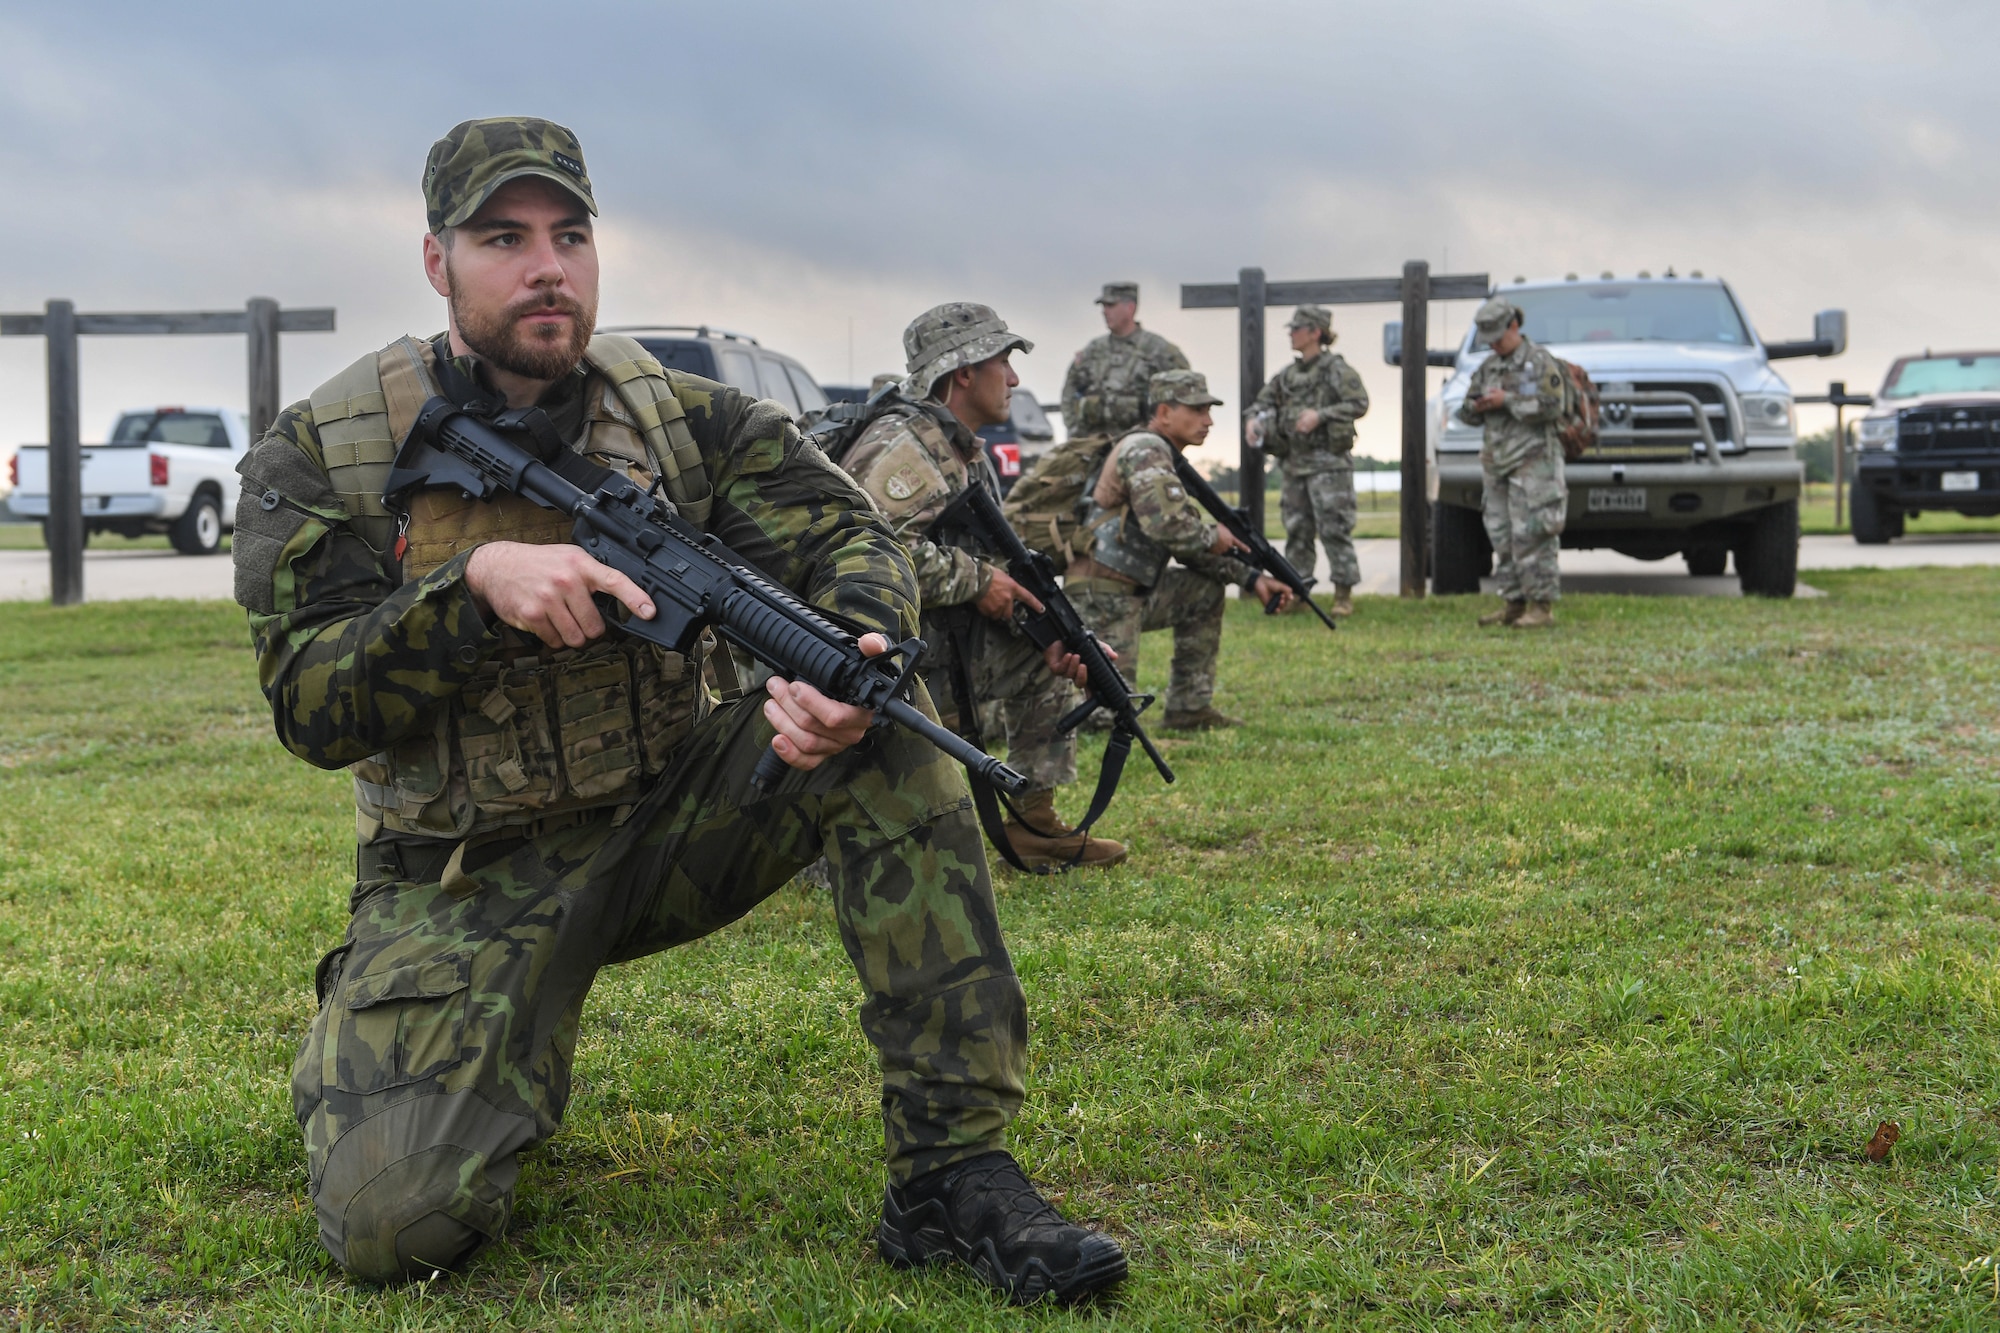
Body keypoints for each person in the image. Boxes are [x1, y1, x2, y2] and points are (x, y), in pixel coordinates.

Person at [229, 116, 1125, 1305]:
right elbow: (309, 704)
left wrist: (848, 651)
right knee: (400, 1232)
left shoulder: (672, 414)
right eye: (503, 238)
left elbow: (850, 532)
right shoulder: (326, 452)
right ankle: (430, 1028)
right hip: (463, 874)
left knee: (890, 730)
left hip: (669, 817)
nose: (546, 266)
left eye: (570, 235)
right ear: (438, 261)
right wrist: (468, 593)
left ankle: (952, 1170)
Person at [839, 303, 1126, 870]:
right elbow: (867, 557)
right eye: (1004, 362)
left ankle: (1033, 824)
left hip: (927, 644)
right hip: (874, 660)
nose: (1015, 379)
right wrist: (977, 581)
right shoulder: (906, 446)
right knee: (897, 847)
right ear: (963, 371)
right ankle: (841, 844)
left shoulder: (960, 449)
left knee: (1043, 658)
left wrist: (1048, 633)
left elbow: (993, 563)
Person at [1066, 370, 1294, 730]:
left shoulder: (1161, 455)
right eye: (1198, 410)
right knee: (1106, 720)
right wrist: (1212, 534)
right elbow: (1170, 528)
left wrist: (1251, 578)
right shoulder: (1146, 449)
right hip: (1103, 596)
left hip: (1131, 591)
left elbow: (1185, 546)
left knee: (1202, 592)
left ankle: (1189, 708)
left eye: (1209, 410)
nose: (1209, 421)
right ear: (1164, 412)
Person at [1249, 305, 1369, 617]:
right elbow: (1260, 404)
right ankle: (1298, 591)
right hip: (1294, 464)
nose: (1291, 333)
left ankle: (1343, 595)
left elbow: (1359, 403)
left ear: (1315, 332)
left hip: (1329, 466)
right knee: (1297, 531)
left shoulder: (1336, 370)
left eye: (1297, 328)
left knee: (1334, 529)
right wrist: (1255, 422)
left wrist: (1321, 415)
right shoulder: (1287, 376)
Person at [1458, 297, 1567, 628]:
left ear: (1514, 326)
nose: (1493, 342)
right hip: (1497, 463)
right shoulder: (1488, 368)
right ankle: (1513, 602)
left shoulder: (1539, 362)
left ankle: (1541, 606)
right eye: (1487, 336)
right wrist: (1477, 406)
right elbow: (1464, 411)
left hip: (1534, 462)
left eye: (1497, 334)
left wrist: (1508, 401)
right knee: (1501, 535)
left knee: (1533, 534)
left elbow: (1553, 406)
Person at [1058, 282, 1189, 439]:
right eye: (1104, 307)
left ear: (1130, 308)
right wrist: (1074, 429)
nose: (1105, 312)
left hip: (1141, 443)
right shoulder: (1092, 350)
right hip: (1092, 443)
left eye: (1111, 306)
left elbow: (1185, 394)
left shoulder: (1159, 351)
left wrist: (1161, 436)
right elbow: (1070, 389)